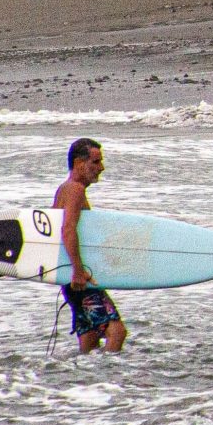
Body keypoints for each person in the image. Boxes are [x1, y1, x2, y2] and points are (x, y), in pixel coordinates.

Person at [55, 138, 127, 353]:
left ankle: (86, 381)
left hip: (70, 278)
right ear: (78, 163)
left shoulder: (65, 189)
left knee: (90, 338)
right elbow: (67, 230)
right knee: (117, 332)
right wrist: (78, 271)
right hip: (78, 277)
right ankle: (110, 380)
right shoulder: (75, 190)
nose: (101, 167)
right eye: (96, 162)